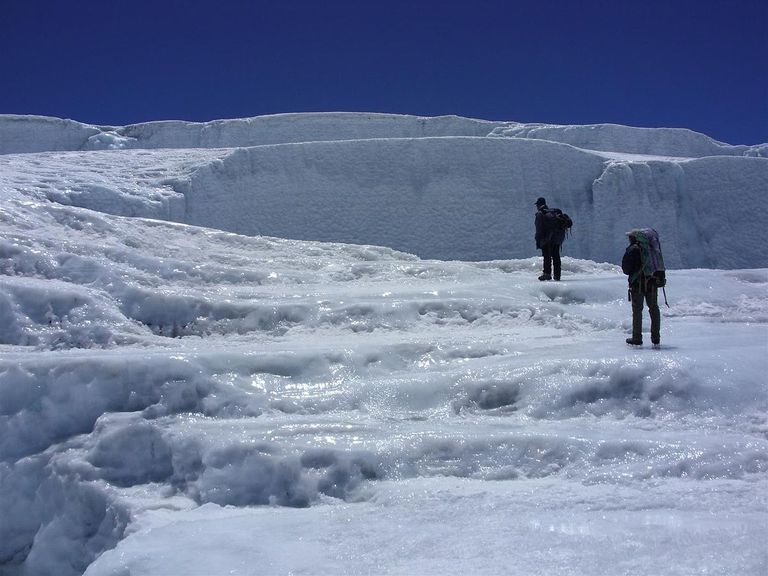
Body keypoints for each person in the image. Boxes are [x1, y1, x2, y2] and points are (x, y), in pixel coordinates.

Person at [622, 231, 661, 347]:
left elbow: (626, 269)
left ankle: (637, 338)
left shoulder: (632, 249)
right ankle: (656, 338)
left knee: (637, 311)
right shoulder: (652, 248)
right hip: (652, 283)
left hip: (637, 284)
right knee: (654, 309)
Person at [534, 197, 565, 281]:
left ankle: (547, 274)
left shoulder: (540, 213)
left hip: (547, 239)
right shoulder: (553, 212)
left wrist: (538, 240)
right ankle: (557, 275)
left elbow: (539, 229)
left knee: (547, 256)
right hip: (557, 238)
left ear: (538, 205)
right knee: (556, 256)